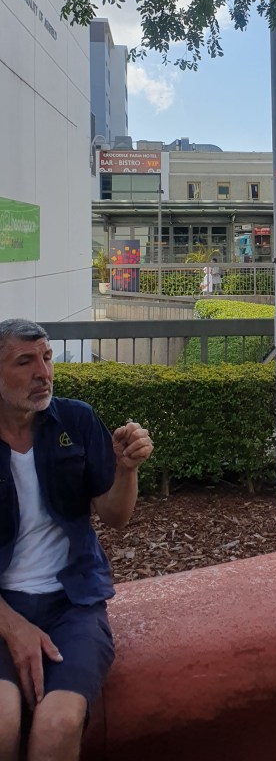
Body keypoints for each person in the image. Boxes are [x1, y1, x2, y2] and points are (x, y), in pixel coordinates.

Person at [0, 318, 154, 761]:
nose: (44, 373)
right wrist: (14, 628)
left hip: (74, 603)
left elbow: (115, 516)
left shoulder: (77, 419)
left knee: (59, 722)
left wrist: (126, 470)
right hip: (3, 606)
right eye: (25, 361)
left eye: (47, 358)